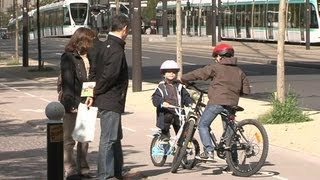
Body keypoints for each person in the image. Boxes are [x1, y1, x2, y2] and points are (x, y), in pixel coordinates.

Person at [181, 43, 251, 161]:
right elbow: (246, 91)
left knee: (203, 124)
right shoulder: (239, 71)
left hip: (217, 102)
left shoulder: (215, 67)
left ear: (219, 57)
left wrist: (184, 78)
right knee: (230, 134)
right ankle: (233, 163)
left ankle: (209, 151)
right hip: (232, 104)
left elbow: (199, 73)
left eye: (216, 57)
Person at [85, 14, 130, 180]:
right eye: (128, 30)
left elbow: (93, 72)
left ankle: (117, 172)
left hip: (106, 99)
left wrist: (89, 93)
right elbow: (109, 77)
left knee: (115, 137)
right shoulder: (117, 50)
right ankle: (104, 175)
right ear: (124, 29)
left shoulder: (102, 46)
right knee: (109, 139)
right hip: (111, 99)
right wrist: (96, 92)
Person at [59, 27, 95, 179]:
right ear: (82, 40)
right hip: (72, 101)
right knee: (69, 139)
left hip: (85, 100)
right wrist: (70, 104)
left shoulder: (88, 56)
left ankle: (83, 169)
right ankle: (70, 169)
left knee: (84, 138)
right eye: (90, 39)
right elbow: (67, 82)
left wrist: (90, 95)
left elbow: (90, 78)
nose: (92, 43)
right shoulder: (68, 57)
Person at [152, 60, 194, 140]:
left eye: (173, 72)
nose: (171, 74)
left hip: (178, 112)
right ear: (164, 74)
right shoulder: (160, 87)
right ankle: (163, 137)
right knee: (166, 123)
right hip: (166, 112)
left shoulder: (179, 86)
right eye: (168, 72)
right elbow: (155, 98)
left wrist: (190, 102)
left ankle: (181, 148)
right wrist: (162, 103)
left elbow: (185, 96)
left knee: (182, 132)